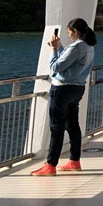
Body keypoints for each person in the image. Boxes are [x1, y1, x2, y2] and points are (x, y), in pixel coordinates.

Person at [31, 18, 97, 176]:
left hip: (62, 89)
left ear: (74, 31)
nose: (68, 35)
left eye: (69, 32)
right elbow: (68, 62)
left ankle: (50, 164)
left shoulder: (76, 46)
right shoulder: (88, 46)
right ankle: (74, 160)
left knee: (56, 126)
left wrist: (53, 50)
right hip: (77, 88)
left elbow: (56, 67)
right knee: (72, 125)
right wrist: (60, 47)